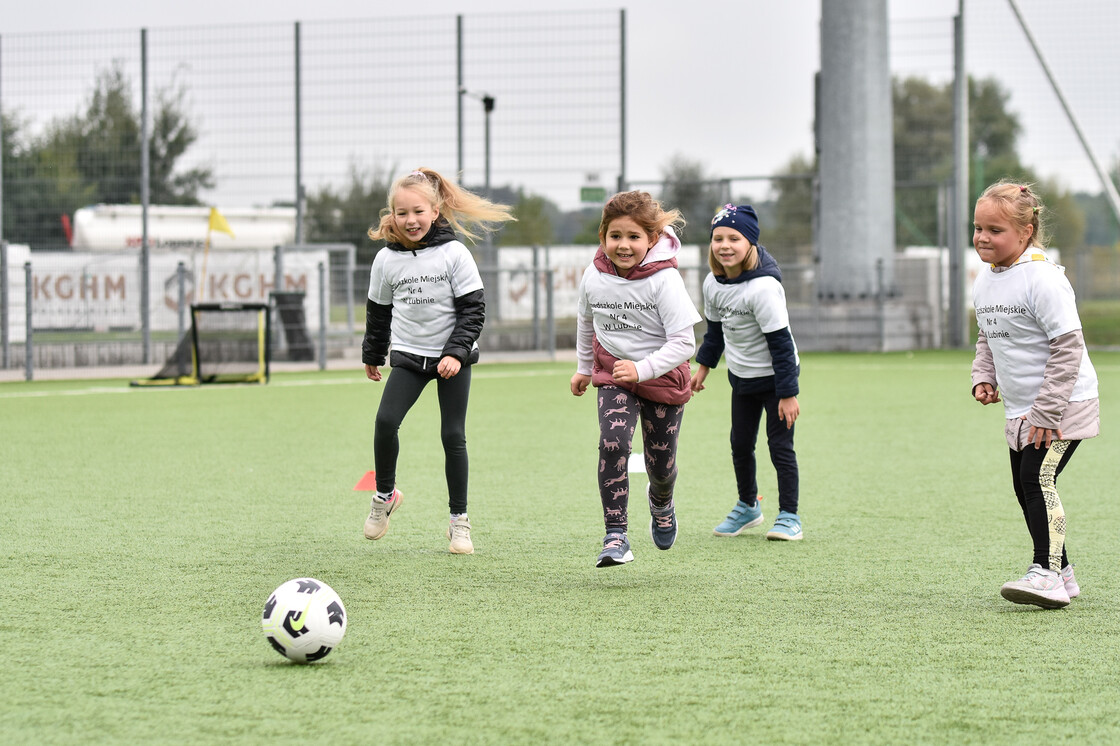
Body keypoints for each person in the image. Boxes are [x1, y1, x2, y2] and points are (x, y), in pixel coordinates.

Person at [361, 167, 514, 555]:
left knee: (453, 436)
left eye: (418, 212)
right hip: (410, 357)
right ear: (391, 215)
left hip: (452, 361)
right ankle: (384, 496)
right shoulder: (385, 260)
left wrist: (456, 353)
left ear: (435, 211)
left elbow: (474, 312)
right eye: (401, 213)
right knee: (384, 423)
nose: (410, 220)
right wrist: (373, 354)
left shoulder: (454, 253)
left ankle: (458, 522)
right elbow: (378, 312)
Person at [971, 180, 1099, 609]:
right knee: (1022, 483)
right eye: (978, 228)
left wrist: (1046, 413)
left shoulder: (1043, 278)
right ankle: (1063, 573)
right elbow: (987, 337)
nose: (983, 238)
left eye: (995, 230)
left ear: (1025, 232)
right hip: (1022, 408)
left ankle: (1045, 572)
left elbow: (1069, 347)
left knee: (1037, 479)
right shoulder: (986, 280)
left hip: (1063, 406)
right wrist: (983, 376)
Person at [570, 191, 702, 567]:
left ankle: (661, 502)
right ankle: (616, 535)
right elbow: (586, 321)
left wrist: (642, 369)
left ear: (652, 239)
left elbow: (684, 342)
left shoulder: (665, 280)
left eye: (633, 237)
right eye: (615, 236)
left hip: (662, 380)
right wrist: (583, 367)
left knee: (662, 467)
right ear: (603, 236)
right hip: (614, 376)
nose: (623, 245)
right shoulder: (593, 276)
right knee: (612, 444)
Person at [690, 204, 803, 541]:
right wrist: (704, 368)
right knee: (740, 444)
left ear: (750, 243)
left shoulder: (763, 288)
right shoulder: (712, 283)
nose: (724, 245)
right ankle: (748, 505)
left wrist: (788, 393)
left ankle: (789, 516)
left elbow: (781, 345)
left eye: (734, 238)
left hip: (776, 379)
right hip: (741, 378)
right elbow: (714, 333)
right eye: (718, 238)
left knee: (779, 447)